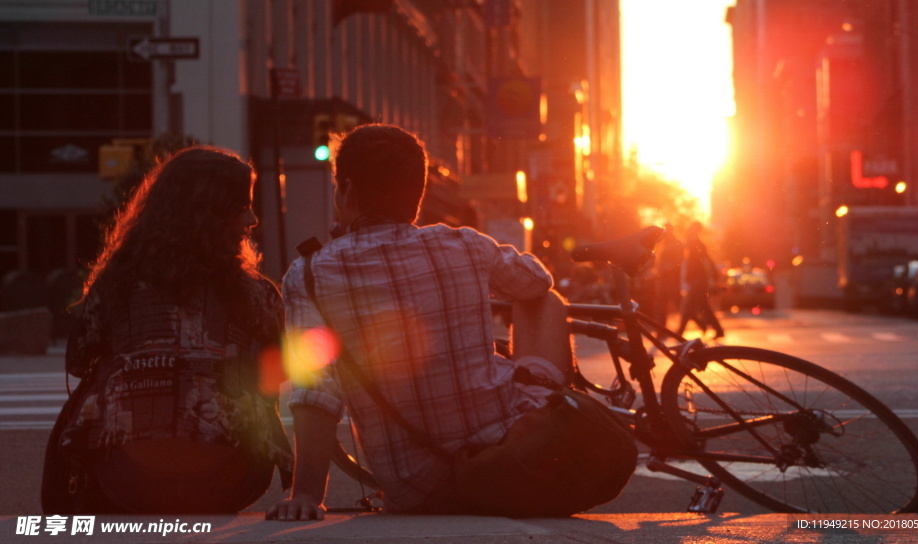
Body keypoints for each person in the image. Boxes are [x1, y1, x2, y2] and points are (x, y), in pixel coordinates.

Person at [267, 124, 578, 520]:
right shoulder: (464, 243)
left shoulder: (309, 274)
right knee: (546, 301)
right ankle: (556, 416)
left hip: (414, 487)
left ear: (345, 190)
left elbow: (316, 387)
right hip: (512, 454)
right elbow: (537, 282)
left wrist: (307, 493)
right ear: (419, 192)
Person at [57, 146, 294, 514]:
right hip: (232, 479)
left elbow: (78, 361)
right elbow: (276, 379)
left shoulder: (116, 284)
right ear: (212, 216)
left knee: (102, 371)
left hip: (127, 480)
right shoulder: (258, 294)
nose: (252, 219)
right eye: (241, 206)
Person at [676, 221, 725, 339]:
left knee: (688, 307)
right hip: (698, 281)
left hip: (697, 281)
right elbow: (706, 260)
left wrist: (712, 275)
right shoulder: (696, 243)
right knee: (703, 307)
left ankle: (680, 332)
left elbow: (704, 261)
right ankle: (717, 329)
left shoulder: (695, 243)